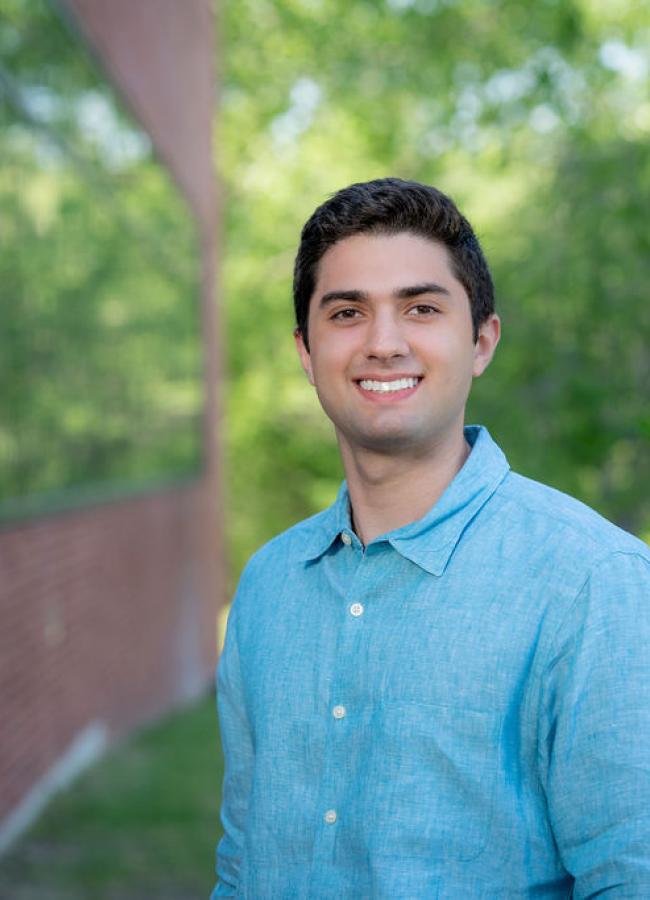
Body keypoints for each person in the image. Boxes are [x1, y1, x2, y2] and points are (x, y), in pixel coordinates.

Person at [212, 178, 650, 898]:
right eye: (347, 313)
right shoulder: (267, 584)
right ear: (306, 351)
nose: (384, 344)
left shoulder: (592, 582)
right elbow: (241, 864)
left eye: (420, 308)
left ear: (480, 341)